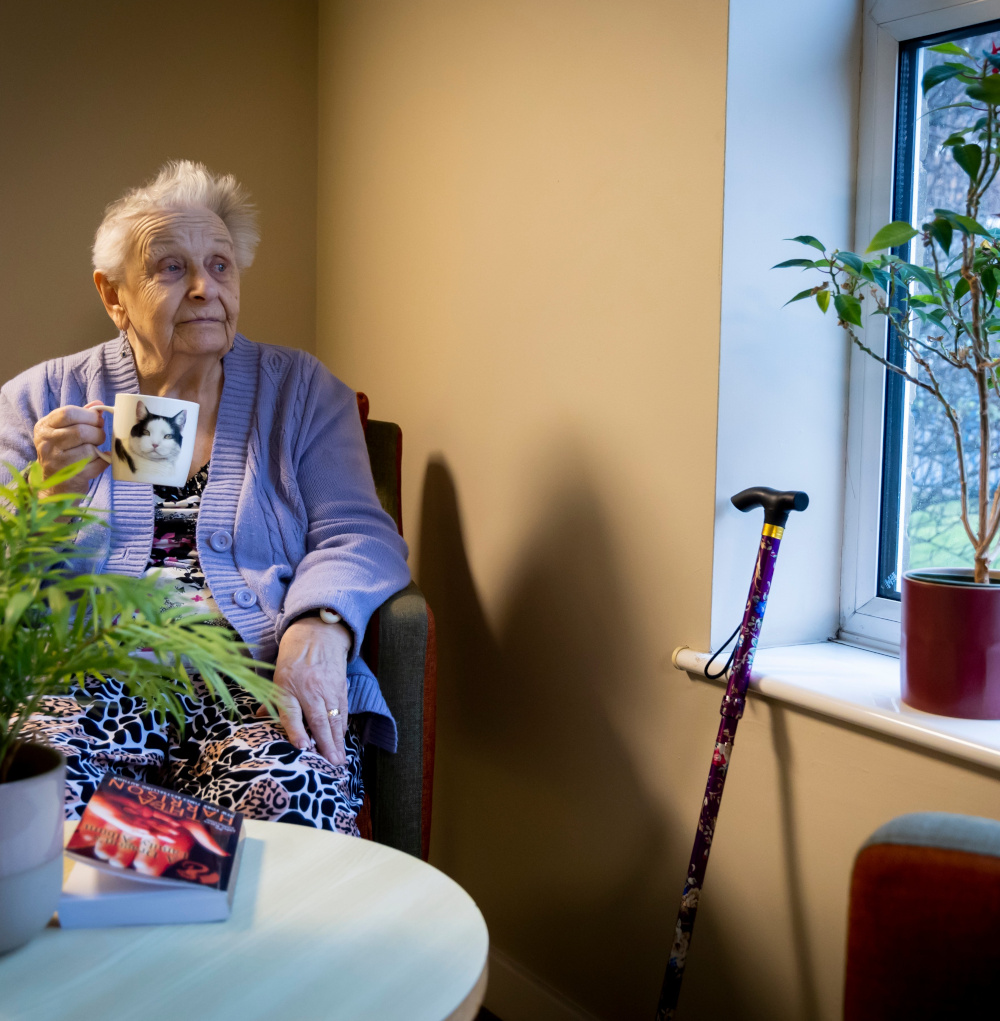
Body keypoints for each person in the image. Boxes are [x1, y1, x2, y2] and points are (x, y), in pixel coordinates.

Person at [0, 160, 410, 834]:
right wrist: (47, 499)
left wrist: (318, 625)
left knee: (294, 792)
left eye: (220, 265)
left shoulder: (302, 392)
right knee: (27, 805)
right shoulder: (40, 399)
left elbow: (358, 533)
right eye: (170, 268)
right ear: (114, 295)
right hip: (86, 683)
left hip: (251, 677)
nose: (203, 288)